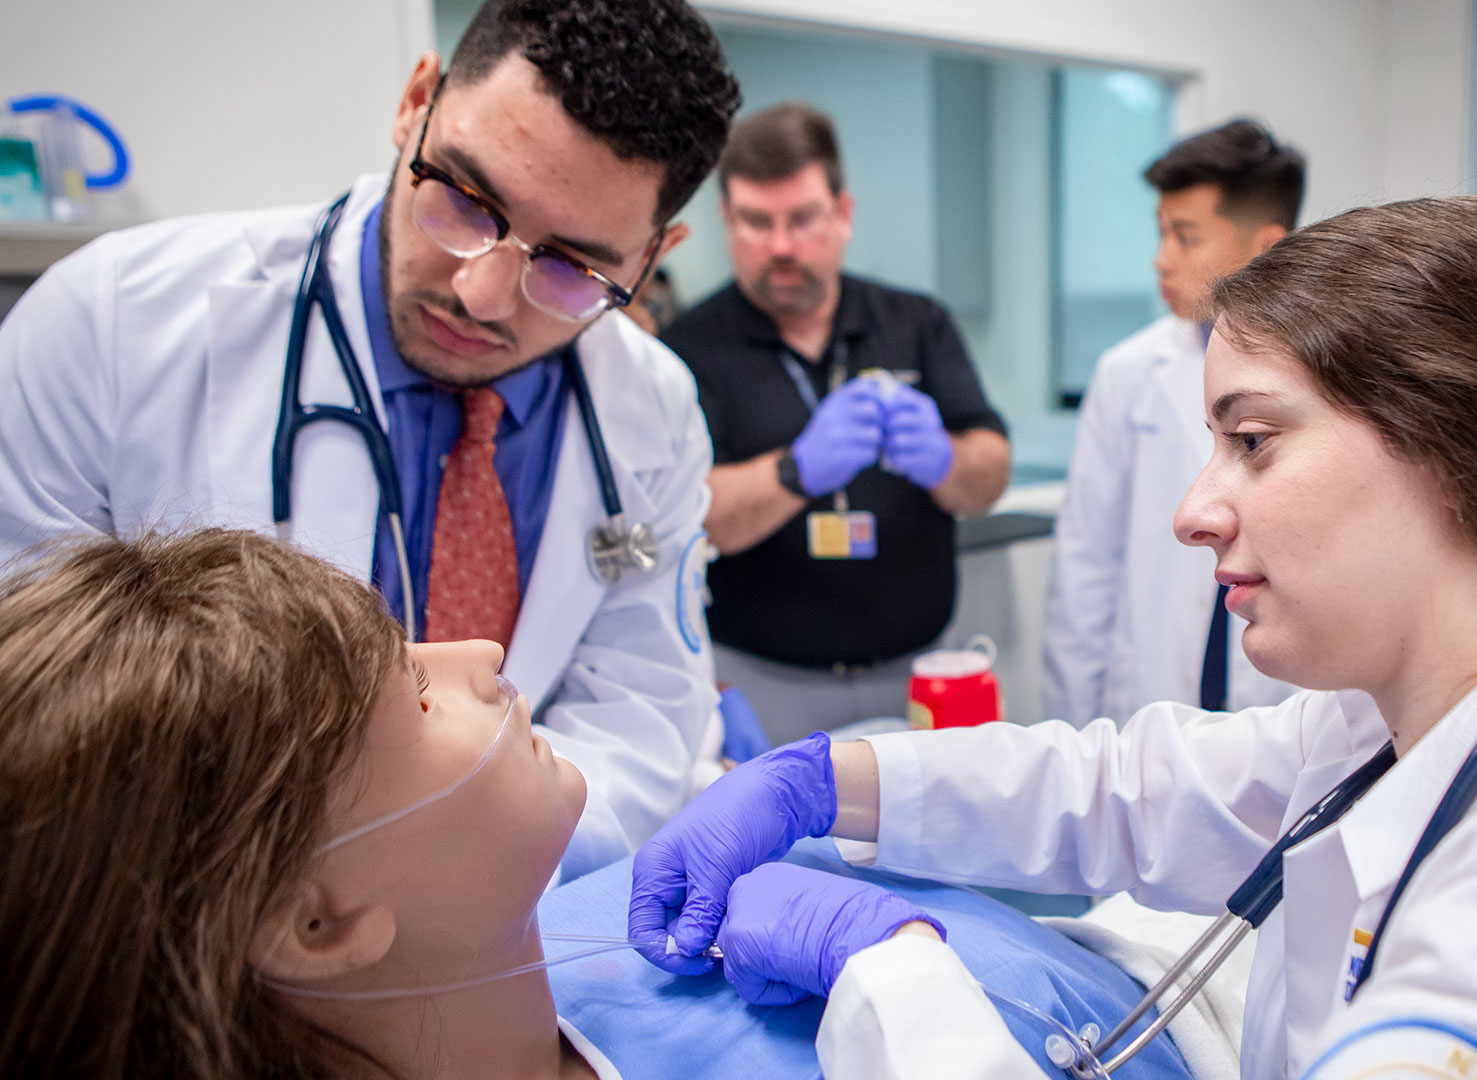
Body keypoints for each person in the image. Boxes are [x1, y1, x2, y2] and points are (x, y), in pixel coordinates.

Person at [631, 195, 1477, 1078]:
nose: (1196, 508)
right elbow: (1130, 790)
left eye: (1253, 438)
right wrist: (818, 782)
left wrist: (893, 975)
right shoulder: (1408, 722)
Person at [0, 528, 1200, 1080]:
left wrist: (818, 784)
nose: (475, 651)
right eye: (412, 699)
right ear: (316, 923)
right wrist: (904, 983)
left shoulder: (600, 908)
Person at [0, 0, 742, 880]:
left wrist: (442, 893)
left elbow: (639, 727)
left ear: (652, 257)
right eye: (467, 200)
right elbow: (39, 716)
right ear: (415, 100)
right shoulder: (113, 325)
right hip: (176, 916)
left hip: (503, 918)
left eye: (571, 268)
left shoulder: (652, 406)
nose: (483, 294)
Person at [660, 102, 1011, 744]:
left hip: (917, 673)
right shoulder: (686, 351)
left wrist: (946, 461)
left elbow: (990, 474)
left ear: (843, 213)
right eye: (756, 223)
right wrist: (795, 471)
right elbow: (687, 518)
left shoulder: (915, 323)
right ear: (726, 220)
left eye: (802, 219)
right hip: (761, 684)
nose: (782, 245)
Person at [1044, 118, 1304, 726]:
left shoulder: (1330, 375)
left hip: (1278, 705)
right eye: (1162, 234)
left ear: (1265, 246)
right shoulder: (1127, 373)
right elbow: (1085, 568)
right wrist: (1075, 735)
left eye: (1186, 238)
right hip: (1148, 697)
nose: (1161, 261)